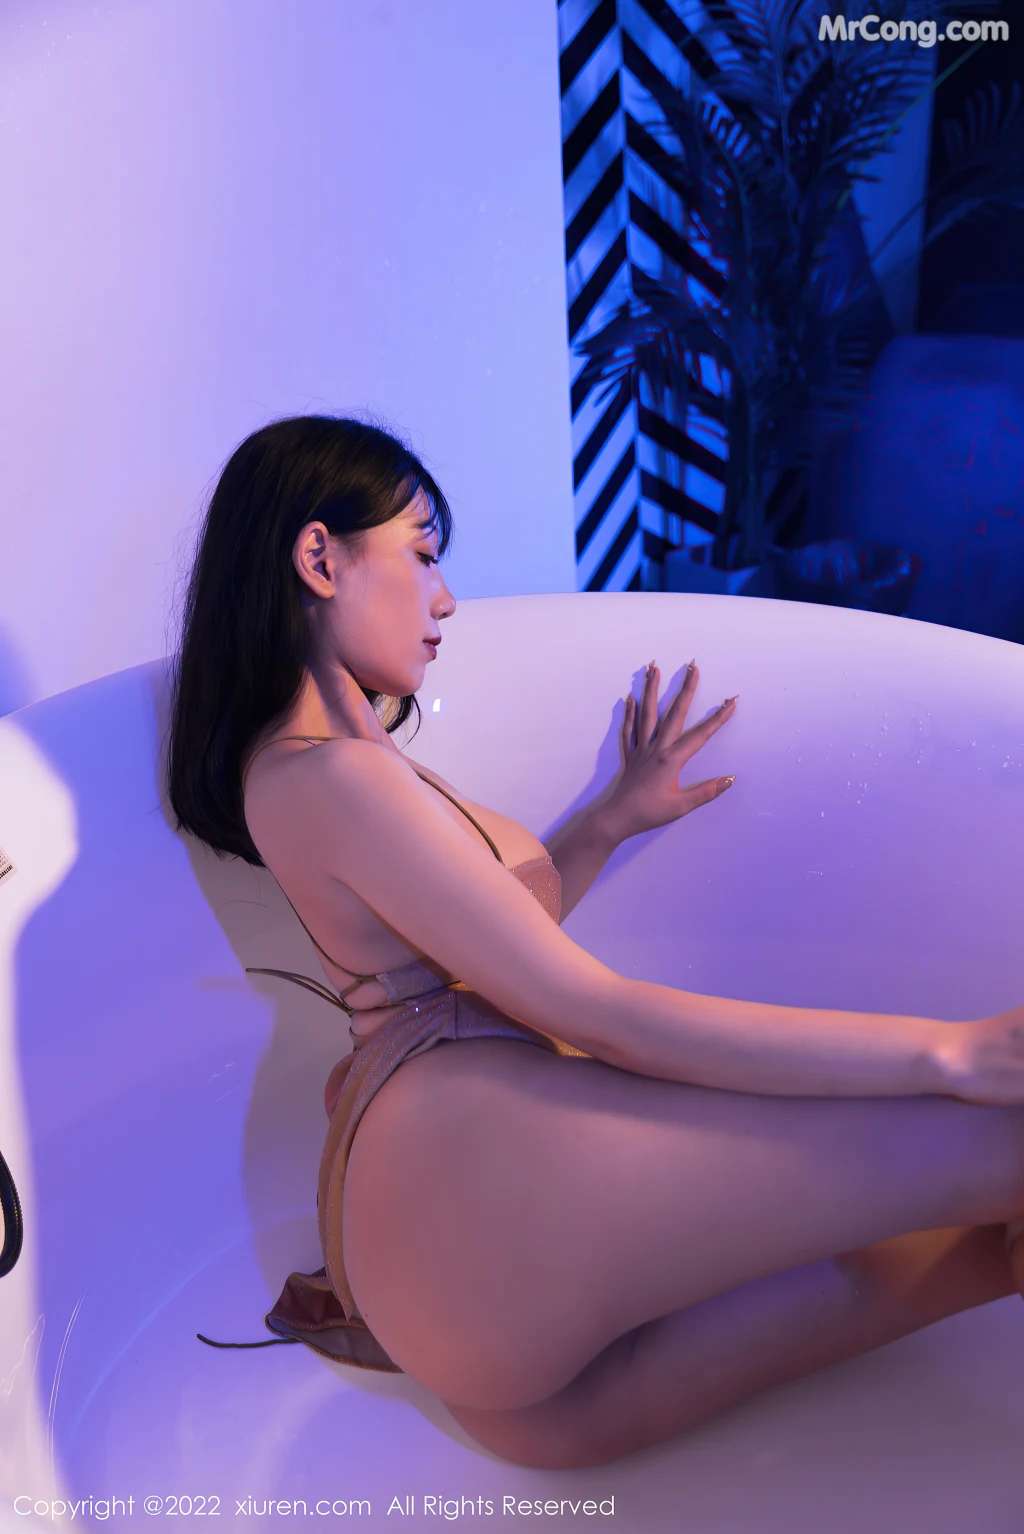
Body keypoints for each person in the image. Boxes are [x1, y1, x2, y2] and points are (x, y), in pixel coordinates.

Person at [167, 412, 1024, 1470]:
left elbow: (478, 942)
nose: (445, 598)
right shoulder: (333, 775)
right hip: (479, 1209)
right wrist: (948, 1051)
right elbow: (600, 1016)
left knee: (952, 1259)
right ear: (318, 556)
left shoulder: (330, 768)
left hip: (455, 1258)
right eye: (423, 554)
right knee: (995, 1154)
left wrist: (608, 820)